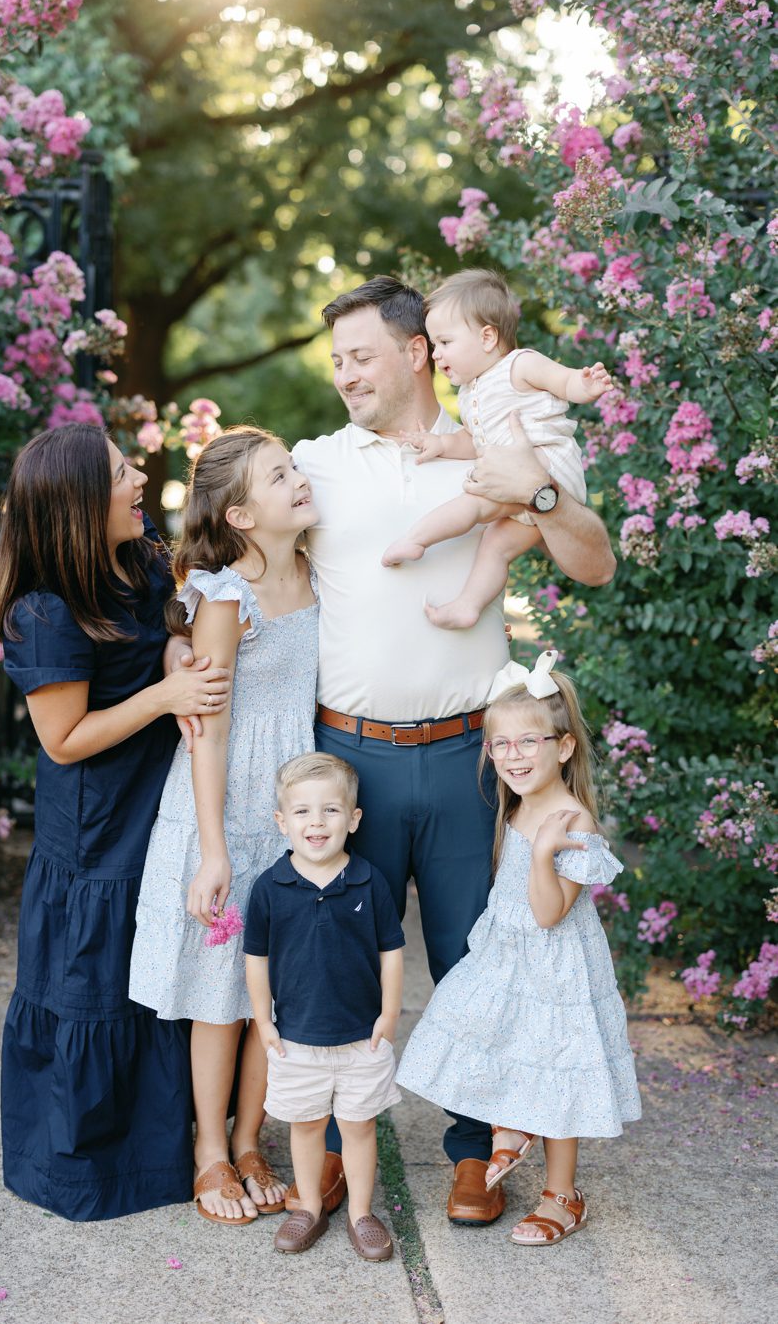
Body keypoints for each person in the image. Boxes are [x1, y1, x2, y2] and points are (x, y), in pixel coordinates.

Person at [289, 275, 616, 1226]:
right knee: (340, 957)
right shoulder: (315, 465)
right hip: (350, 758)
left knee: (486, 953)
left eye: (362, 356)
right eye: (337, 360)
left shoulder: (497, 440)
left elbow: (594, 561)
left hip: (472, 760)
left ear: (418, 353)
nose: (346, 374)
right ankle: (338, 1147)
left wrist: (538, 490)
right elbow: (245, 556)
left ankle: (478, 1150)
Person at [0, 422, 230, 1221]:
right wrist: (165, 696)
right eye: (122, 474)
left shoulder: (139, 561)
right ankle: (86, 1169)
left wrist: (176, 655)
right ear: (80, 503)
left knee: (157, 977)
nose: (139, 481)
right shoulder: (45, 610)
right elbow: (64, 739)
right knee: (95, 984)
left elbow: (173, 630)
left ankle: (166, 1153)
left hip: (161, 803)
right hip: (95, 827)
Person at [129, 427, 321, 1226]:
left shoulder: (316, 571)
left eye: (294, 467)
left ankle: (250, 1140)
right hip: (224, 812)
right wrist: (213, 852)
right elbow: (205, 732)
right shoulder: (225, 598)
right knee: (218, 995)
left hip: (293, 811)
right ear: (241, 515)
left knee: (269, 992)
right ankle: (210, 1148)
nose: (298, 479)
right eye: (279, 476)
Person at [396, 650, 641, 1244]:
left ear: (564, 747)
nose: (513, 756)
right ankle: (509, 1122)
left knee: (555, 1069)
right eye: (501, 745)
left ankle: (562, 1196)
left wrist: (541, 853)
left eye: (529, 742)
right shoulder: (519, 802)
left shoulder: (572, 821)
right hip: (508, 955)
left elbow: (550, 913)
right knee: (487, 1031)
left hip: (556, 966)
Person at [381, 268, 613, 629]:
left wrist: (584, 385)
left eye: (445, 342)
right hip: (519, 485)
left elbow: (564, 380)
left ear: (487, 337)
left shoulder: (519, 365)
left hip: (547, 466)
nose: (437, 355)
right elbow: (474, 442)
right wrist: (440, 443)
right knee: (495, 545)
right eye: (434, 345)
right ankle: (468, 605)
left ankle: (415, 539)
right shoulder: (469, 393)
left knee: (474, 502)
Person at [245, 753, 404, 1260]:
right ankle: (310, 1208)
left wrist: (390, 1013)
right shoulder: (269, 888)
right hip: (297, 1037)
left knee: (358, 1128)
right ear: (282, 821)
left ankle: (361, 1213)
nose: (316, 822)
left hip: (362, 1037)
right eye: (303, 812)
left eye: (331, 810)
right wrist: (263, 1020)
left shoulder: (370, 882)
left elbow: (391, 952)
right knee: (307, 1125)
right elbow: (256, 959)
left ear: (353, 819)